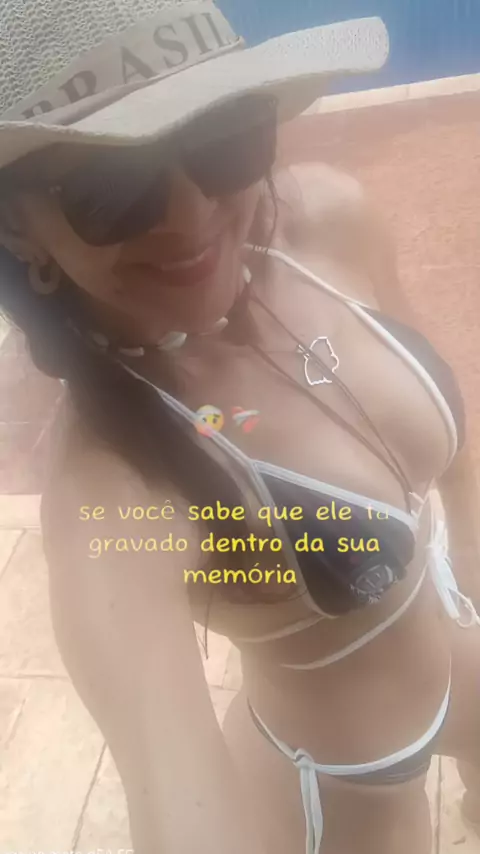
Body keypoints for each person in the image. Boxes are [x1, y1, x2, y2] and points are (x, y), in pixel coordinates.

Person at [0, 2, 480, 853]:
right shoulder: (116, 493)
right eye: (113, 190)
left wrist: (470, 567)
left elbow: (453, 437)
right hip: (354, 783)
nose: (190, 216)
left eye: (223, 138)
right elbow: (176, 800)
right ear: (16, 226)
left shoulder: (328, 219)